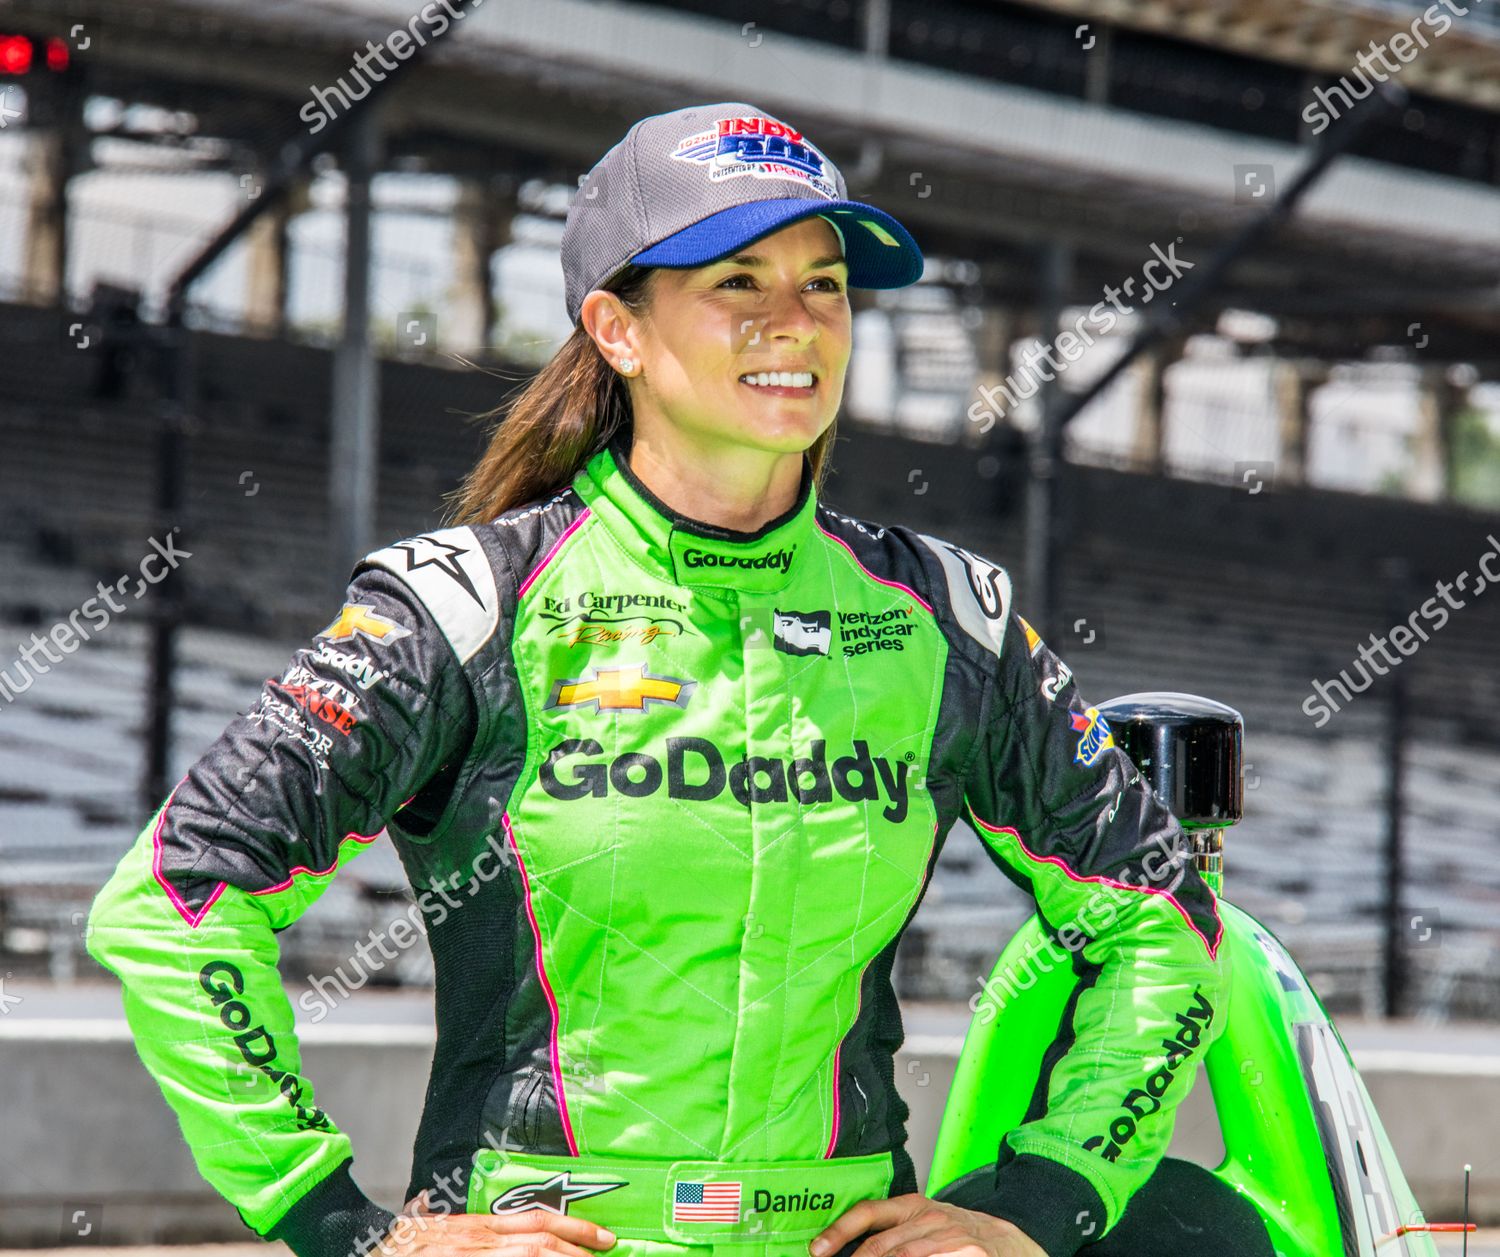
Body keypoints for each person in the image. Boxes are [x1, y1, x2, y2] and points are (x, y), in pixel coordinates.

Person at [86, 102, 1273, 1257]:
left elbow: (1162, 913)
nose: (794, 322)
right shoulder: (465, 606)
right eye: (737, 283)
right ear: (618, 330)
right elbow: (175, 907)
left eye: (824, 283)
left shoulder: (948, 617)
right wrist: (344, 1229)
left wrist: (1044, 1200)